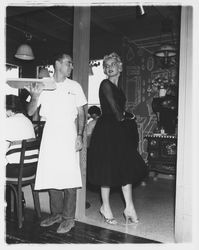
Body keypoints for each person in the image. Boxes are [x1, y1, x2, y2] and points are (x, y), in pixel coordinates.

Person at [27, 53, 87, 234]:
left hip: (69, 133)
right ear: (57, 64)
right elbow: (30, 112)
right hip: (50, 134)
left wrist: (79, 135)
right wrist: (35, 96)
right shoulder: (43, 85)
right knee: (52, 172)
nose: (71, 67)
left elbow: (82, 114)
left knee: (69, 176)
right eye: (69, 63)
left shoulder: (74, 86)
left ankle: (69, 218)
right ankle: (57, 214)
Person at [88, 52, 148, 225]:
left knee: (124, 167)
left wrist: (127, 116)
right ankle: (105, 207)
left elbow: (121, 113)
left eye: (112, 64)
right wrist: (128, 117)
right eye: (106, 65)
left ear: (120, 66)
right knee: (106, 169)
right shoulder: (105, 84)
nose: (109, 67)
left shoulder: (118, 88)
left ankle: (129, 207)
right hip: (107, 130)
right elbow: (116, 112)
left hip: (117, 130)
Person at [5, 95, 36, 165]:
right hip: (31, 166)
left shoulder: (9, 121)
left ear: (9, 109)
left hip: (16, 166)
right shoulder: (27, 120)